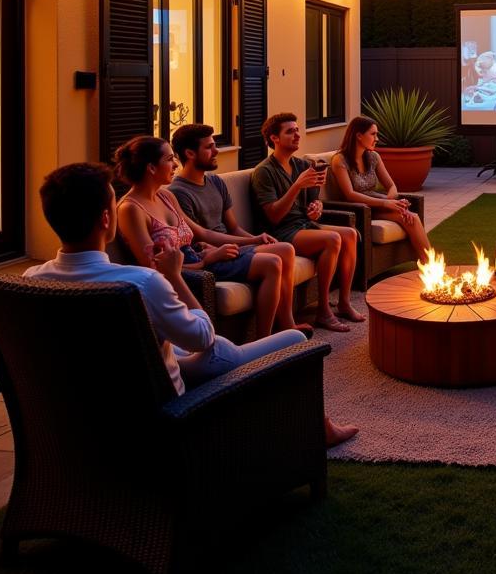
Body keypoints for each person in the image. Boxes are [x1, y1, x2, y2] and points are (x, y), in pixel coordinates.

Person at [29, 162, 357, 446]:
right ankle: (320, 430)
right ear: (105, 219)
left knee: (192, 348)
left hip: (91, 413)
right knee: (295, 342)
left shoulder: (33, 282)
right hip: (169, 407)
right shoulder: (140, 283)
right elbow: (202, 337)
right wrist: (173, 276)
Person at [114, 136, 299, 340]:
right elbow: (153, 267)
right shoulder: (131, 209)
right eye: (169, 159)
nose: (175, 164)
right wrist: (208, 260)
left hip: (200, 257)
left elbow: (202, 233)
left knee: (281, 252)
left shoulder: (166, 197)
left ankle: (277, 331)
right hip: (191, 271)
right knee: (272, 262)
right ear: (151, 168)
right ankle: (266, 339)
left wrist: (253, 240)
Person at [168, 123, 312, 337]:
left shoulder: (216, 182)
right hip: (215, 254)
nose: (216, 151)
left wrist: (256, 237)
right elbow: (202, 236)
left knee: (286, 250)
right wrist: (253, 242)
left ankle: (286, 323)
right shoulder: (178, 192)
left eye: (215, 144)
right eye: (209, 147)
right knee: (274, 261)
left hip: (233, 247)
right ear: (189, 153)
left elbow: (233, 227)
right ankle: (264, 338)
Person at [251, 113, 363, 333]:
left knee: (350, 234)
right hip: (279, 232)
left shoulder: (302, 164)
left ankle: (344, 303)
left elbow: (314, 201)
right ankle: (323, 310)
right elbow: (274, 216)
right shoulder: (264, 171)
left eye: (297, 130)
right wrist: (296, 186)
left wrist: (316, 208)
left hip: (304, 225)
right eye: (290, 131)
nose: (297, 135)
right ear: (274, 138)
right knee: (332, 239)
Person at [328, 116, 431, 260]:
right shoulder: (340, 160)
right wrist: (385, 203)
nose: (376, 138)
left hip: (377, 205)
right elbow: (349, 194)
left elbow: (391, 186)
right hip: (358, 209)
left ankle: (430, 267)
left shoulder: (373, 157)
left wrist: (391, 200)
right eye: (373, 134)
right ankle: (430, 267)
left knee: (411, 217)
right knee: (409, 216)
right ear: (358, 136)